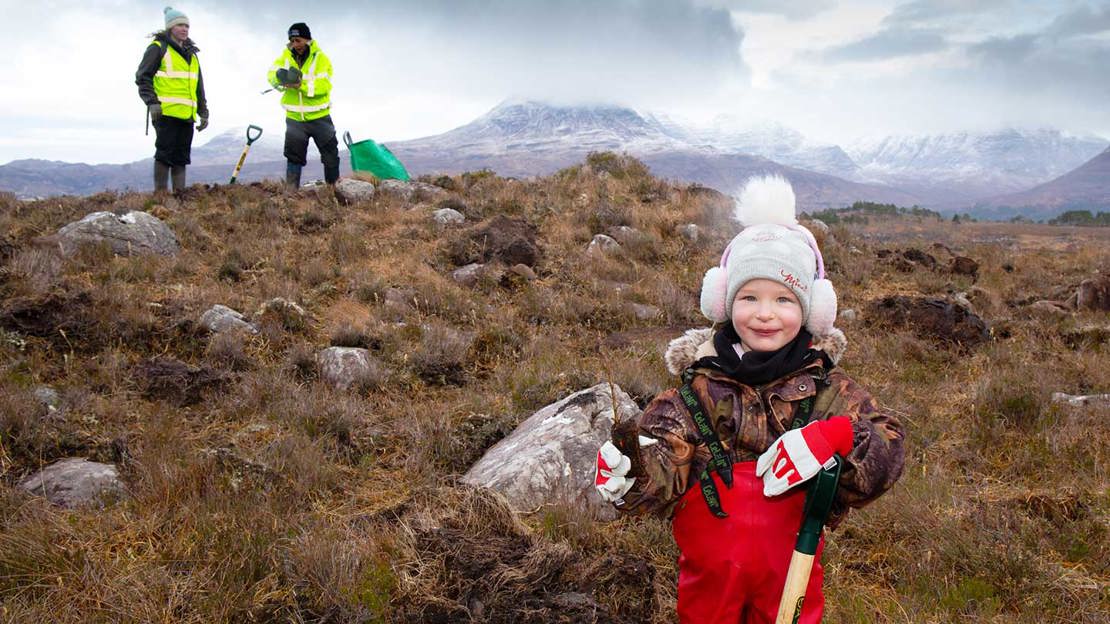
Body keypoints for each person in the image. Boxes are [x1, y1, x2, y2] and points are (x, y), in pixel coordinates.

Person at [594, 175, 905, 623]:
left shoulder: (826, 389)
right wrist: (632, 473)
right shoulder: (694, 392)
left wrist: (835, 437)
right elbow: (662, 471)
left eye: (783, 299)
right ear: (724, 302)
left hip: (791, 581)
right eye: (749, 297)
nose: (764, 313)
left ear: (811, 309)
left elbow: (888, 447)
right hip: (709, 591)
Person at [135, 6, 208, 194]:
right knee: (164, 155)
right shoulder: (158, 48)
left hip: (187, 115)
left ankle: (179, 196)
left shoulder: (192, 54)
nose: (184, 29)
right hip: (165, 112)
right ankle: (160, 197)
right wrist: (152, 102)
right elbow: (143, 77)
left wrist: (203, 112)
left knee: (181, 158)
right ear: (170, 27)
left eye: (187, 26)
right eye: (180, 25)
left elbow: (198, 86)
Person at [267, 22, 339, 189]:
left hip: (319, 116)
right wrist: (280, 79)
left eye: (298, 40)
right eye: (292, 41)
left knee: (330, 157)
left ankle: (334, 192)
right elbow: (271, 75)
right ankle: (291, 195)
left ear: (307, 39)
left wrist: (301, 86)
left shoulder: (321, 59)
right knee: (293, 158)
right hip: (294, 118)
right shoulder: (285, 57)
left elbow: (324, 86)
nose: (295, 44)